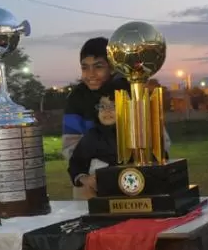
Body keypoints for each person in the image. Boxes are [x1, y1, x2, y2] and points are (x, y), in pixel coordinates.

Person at [63, 37, 171, 199]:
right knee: (89, 209)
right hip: (93, 179)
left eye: (98, 67)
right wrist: (95, 174)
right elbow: (71, 147)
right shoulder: (76, 99)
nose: (91, 74)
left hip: (138, 175)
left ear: (113, 67)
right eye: (85, 68)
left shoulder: (132, 90)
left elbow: (159, 139)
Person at [68, 89, 120, 200]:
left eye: (113, 106)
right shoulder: (92, 136)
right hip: (102, 195)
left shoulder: (140, 134)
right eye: (102, 106)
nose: (107, 111)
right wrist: (84, 178)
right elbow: (76, 162)